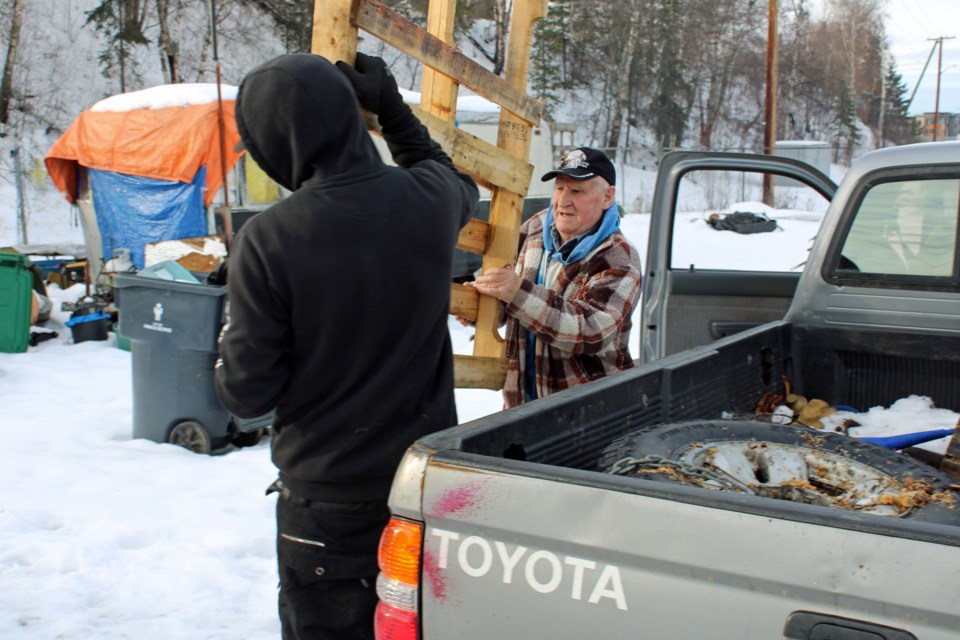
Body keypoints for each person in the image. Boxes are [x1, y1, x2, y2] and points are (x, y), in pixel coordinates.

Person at [214, 52, 478, 639]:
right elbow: (448, 173)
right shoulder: (429, 200)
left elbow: (246, 393)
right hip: (421, 487)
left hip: (327, 503)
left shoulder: (268, 240)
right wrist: (391, 107)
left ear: (273, 143)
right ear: (350, 118)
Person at [468, 147, 642, 408]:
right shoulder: (536, 228)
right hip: (521, 403)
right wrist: (483, 304)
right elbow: (512, 303)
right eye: (560, 188)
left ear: (608, 197)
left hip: (588, 411)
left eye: (576, 191)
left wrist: (515, 292)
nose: (563, 201)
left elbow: (590, 332)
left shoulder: (619, 258)